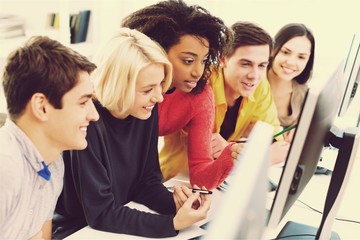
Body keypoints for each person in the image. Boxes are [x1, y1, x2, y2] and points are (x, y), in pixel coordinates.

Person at [53, 28, 211, 239]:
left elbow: (146, 182)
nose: (159, 98)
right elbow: (100, 213)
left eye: (160, 86)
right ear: (119, 86)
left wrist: (176, 204)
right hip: (81, 231)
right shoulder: (87, 124)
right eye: (147, 90)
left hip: (119, 219)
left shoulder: (145, 110)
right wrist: (170, 223)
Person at [122, 0, 238, 190]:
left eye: (204, 60)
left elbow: (200, 178)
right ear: (157, 51)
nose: (198, 72)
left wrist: (230, 156)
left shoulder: (199, 95)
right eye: (188, 60)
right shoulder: (126, 84)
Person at [0, 36, 99, 239]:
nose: (94, 115)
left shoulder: (53, 164)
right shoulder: (5, 168)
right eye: (82, 103)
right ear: (41, 107)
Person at [209, 21, 290, 165]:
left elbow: (274, 141)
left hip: (221, 178)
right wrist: (243, 151)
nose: (255, 75)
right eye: (245, 64)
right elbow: (204, 148)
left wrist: (233, 149)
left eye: (262, 65)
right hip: (178, 177)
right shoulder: (203, 84)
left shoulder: (259, 86)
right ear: (223, 60)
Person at [267, 23, 315, 142]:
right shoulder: (252, 82)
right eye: (286, 52)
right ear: (273, 49)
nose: (291, 62)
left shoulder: (304, 95)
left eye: (301, 57)